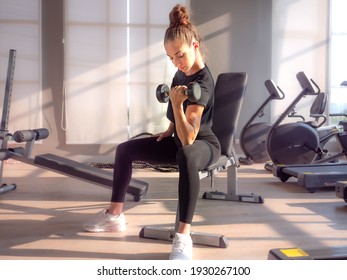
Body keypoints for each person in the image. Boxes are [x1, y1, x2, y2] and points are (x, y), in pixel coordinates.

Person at [83, 4, 221, 260]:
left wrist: (179, 106)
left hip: (204, 145)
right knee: (125, 150)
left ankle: (182, 237)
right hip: (179, 139)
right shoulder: (180, 75)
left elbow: (190, 137)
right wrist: (168, 129)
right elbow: (176, 122)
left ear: (195, 46)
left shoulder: (203, 82)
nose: (176, 63)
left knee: (187, 155)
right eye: (170, 58)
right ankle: (114, 216)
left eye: (179, 55)